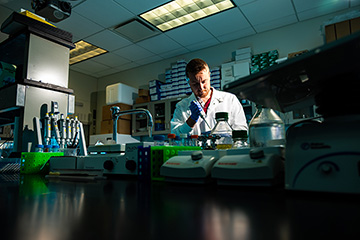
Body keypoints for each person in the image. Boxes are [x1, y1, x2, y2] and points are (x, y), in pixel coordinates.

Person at [171, 58, 248, 136]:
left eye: (204, 81)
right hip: (195, 148)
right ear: (188, 82)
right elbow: (175, 134)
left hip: (225, 147)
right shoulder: (181, 106)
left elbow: (241, 130)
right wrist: (192, 120)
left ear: (209, 76)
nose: (201, 87)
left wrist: (223, 135)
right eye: (195, 84)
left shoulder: (230, 100)